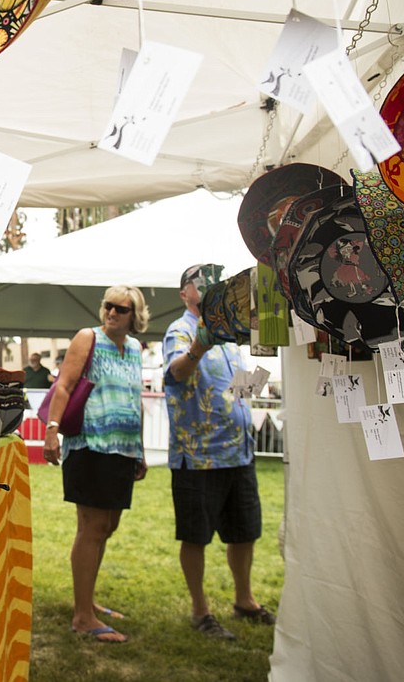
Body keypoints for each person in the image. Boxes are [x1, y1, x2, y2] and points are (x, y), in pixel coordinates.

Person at [163, 263, 275, 640]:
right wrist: (200, 343)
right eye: (200, 280)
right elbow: (176, 373)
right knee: (196, 536)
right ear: (185, 293)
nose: (210, 285)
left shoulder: (232, 332)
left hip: (239, 452)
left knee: (245, 532)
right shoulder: (180, 330)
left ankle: (244, 600)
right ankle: (200, 610)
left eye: (216, 278)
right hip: (198, 455)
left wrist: (251, 384)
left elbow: (234, 390)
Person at [42, 286, 149, 643]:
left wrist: (140, 450)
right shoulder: (88, 338)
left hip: (122, 449)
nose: (113, 312)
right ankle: (83, 616)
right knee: (93, 526)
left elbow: (136, 400)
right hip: (90, 446)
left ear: (135, 316)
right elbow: (64, 386)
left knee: (107, 526)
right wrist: (52, 430)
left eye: (122, 308)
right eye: (109, 306)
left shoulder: (134, 349)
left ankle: (87, 601)